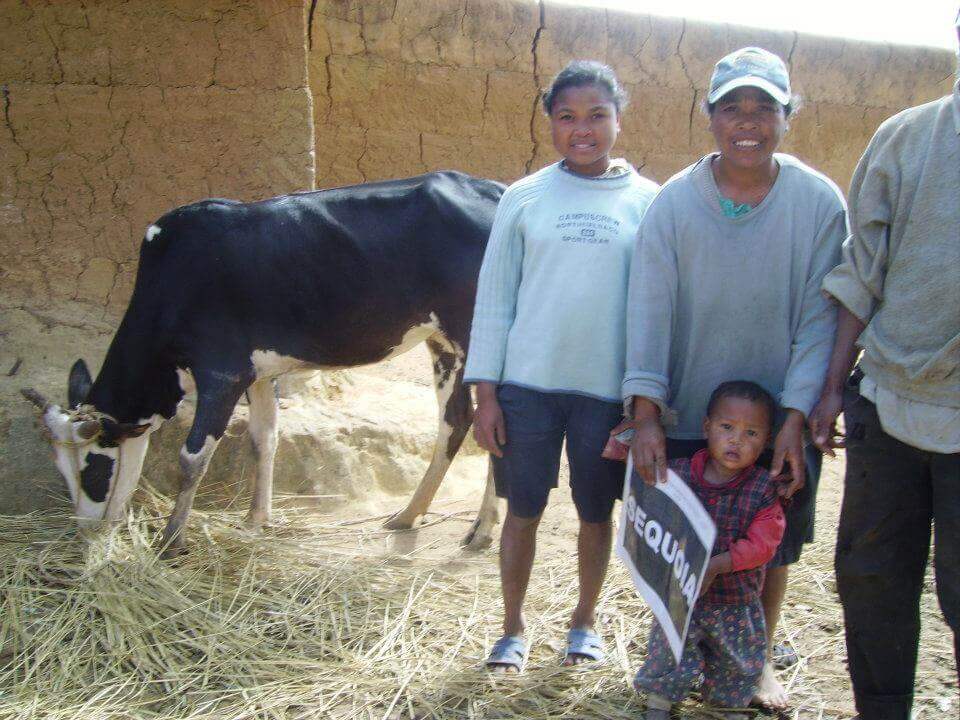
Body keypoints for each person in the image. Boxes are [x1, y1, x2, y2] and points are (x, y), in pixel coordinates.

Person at [620, 47, 846, 708]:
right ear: (710, 115)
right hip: (693, 413)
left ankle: (757, 662)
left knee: (769, 549)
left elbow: (820, 317)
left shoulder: (817, 203)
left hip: (773, 424)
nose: (748, 121)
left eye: (764, 107)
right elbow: (649, 309)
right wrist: (646, 413)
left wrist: (794, 417)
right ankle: (674, 658)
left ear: (787, 116)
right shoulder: (674, 204)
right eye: (732, 107)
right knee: (683, 549)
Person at [463, 60, 659, 673]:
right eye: (568, 116)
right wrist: (486, 396)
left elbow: (655, 306)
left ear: (618, 120)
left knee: (596, 513)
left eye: (597, 115)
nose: (583, 129)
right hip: (527, 390)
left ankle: (584, 621)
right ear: (550, 123)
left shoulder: (649, 202)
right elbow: (495, 300)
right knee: (522, 510)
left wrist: (643, 404)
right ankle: (512, 628)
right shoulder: (524, 197)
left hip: (605, 395)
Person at [808, 15, 960, 719]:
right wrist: (831, 389)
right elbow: (860, 274)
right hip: (889, 398)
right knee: (871, 579)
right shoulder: (906, 138)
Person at [634, 381, 786, 720]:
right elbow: (653, 518)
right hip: (682, 596)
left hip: (736, 600)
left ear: (767, 440)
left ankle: (728, 704)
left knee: (737, 658)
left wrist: (719, 564)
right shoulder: (677, 475)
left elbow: (764, 543)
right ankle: (660, 701)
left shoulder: (763, 489)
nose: (736, 440)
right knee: (670, 648)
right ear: (707, 427)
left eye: (751, 433)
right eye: (727, 427)